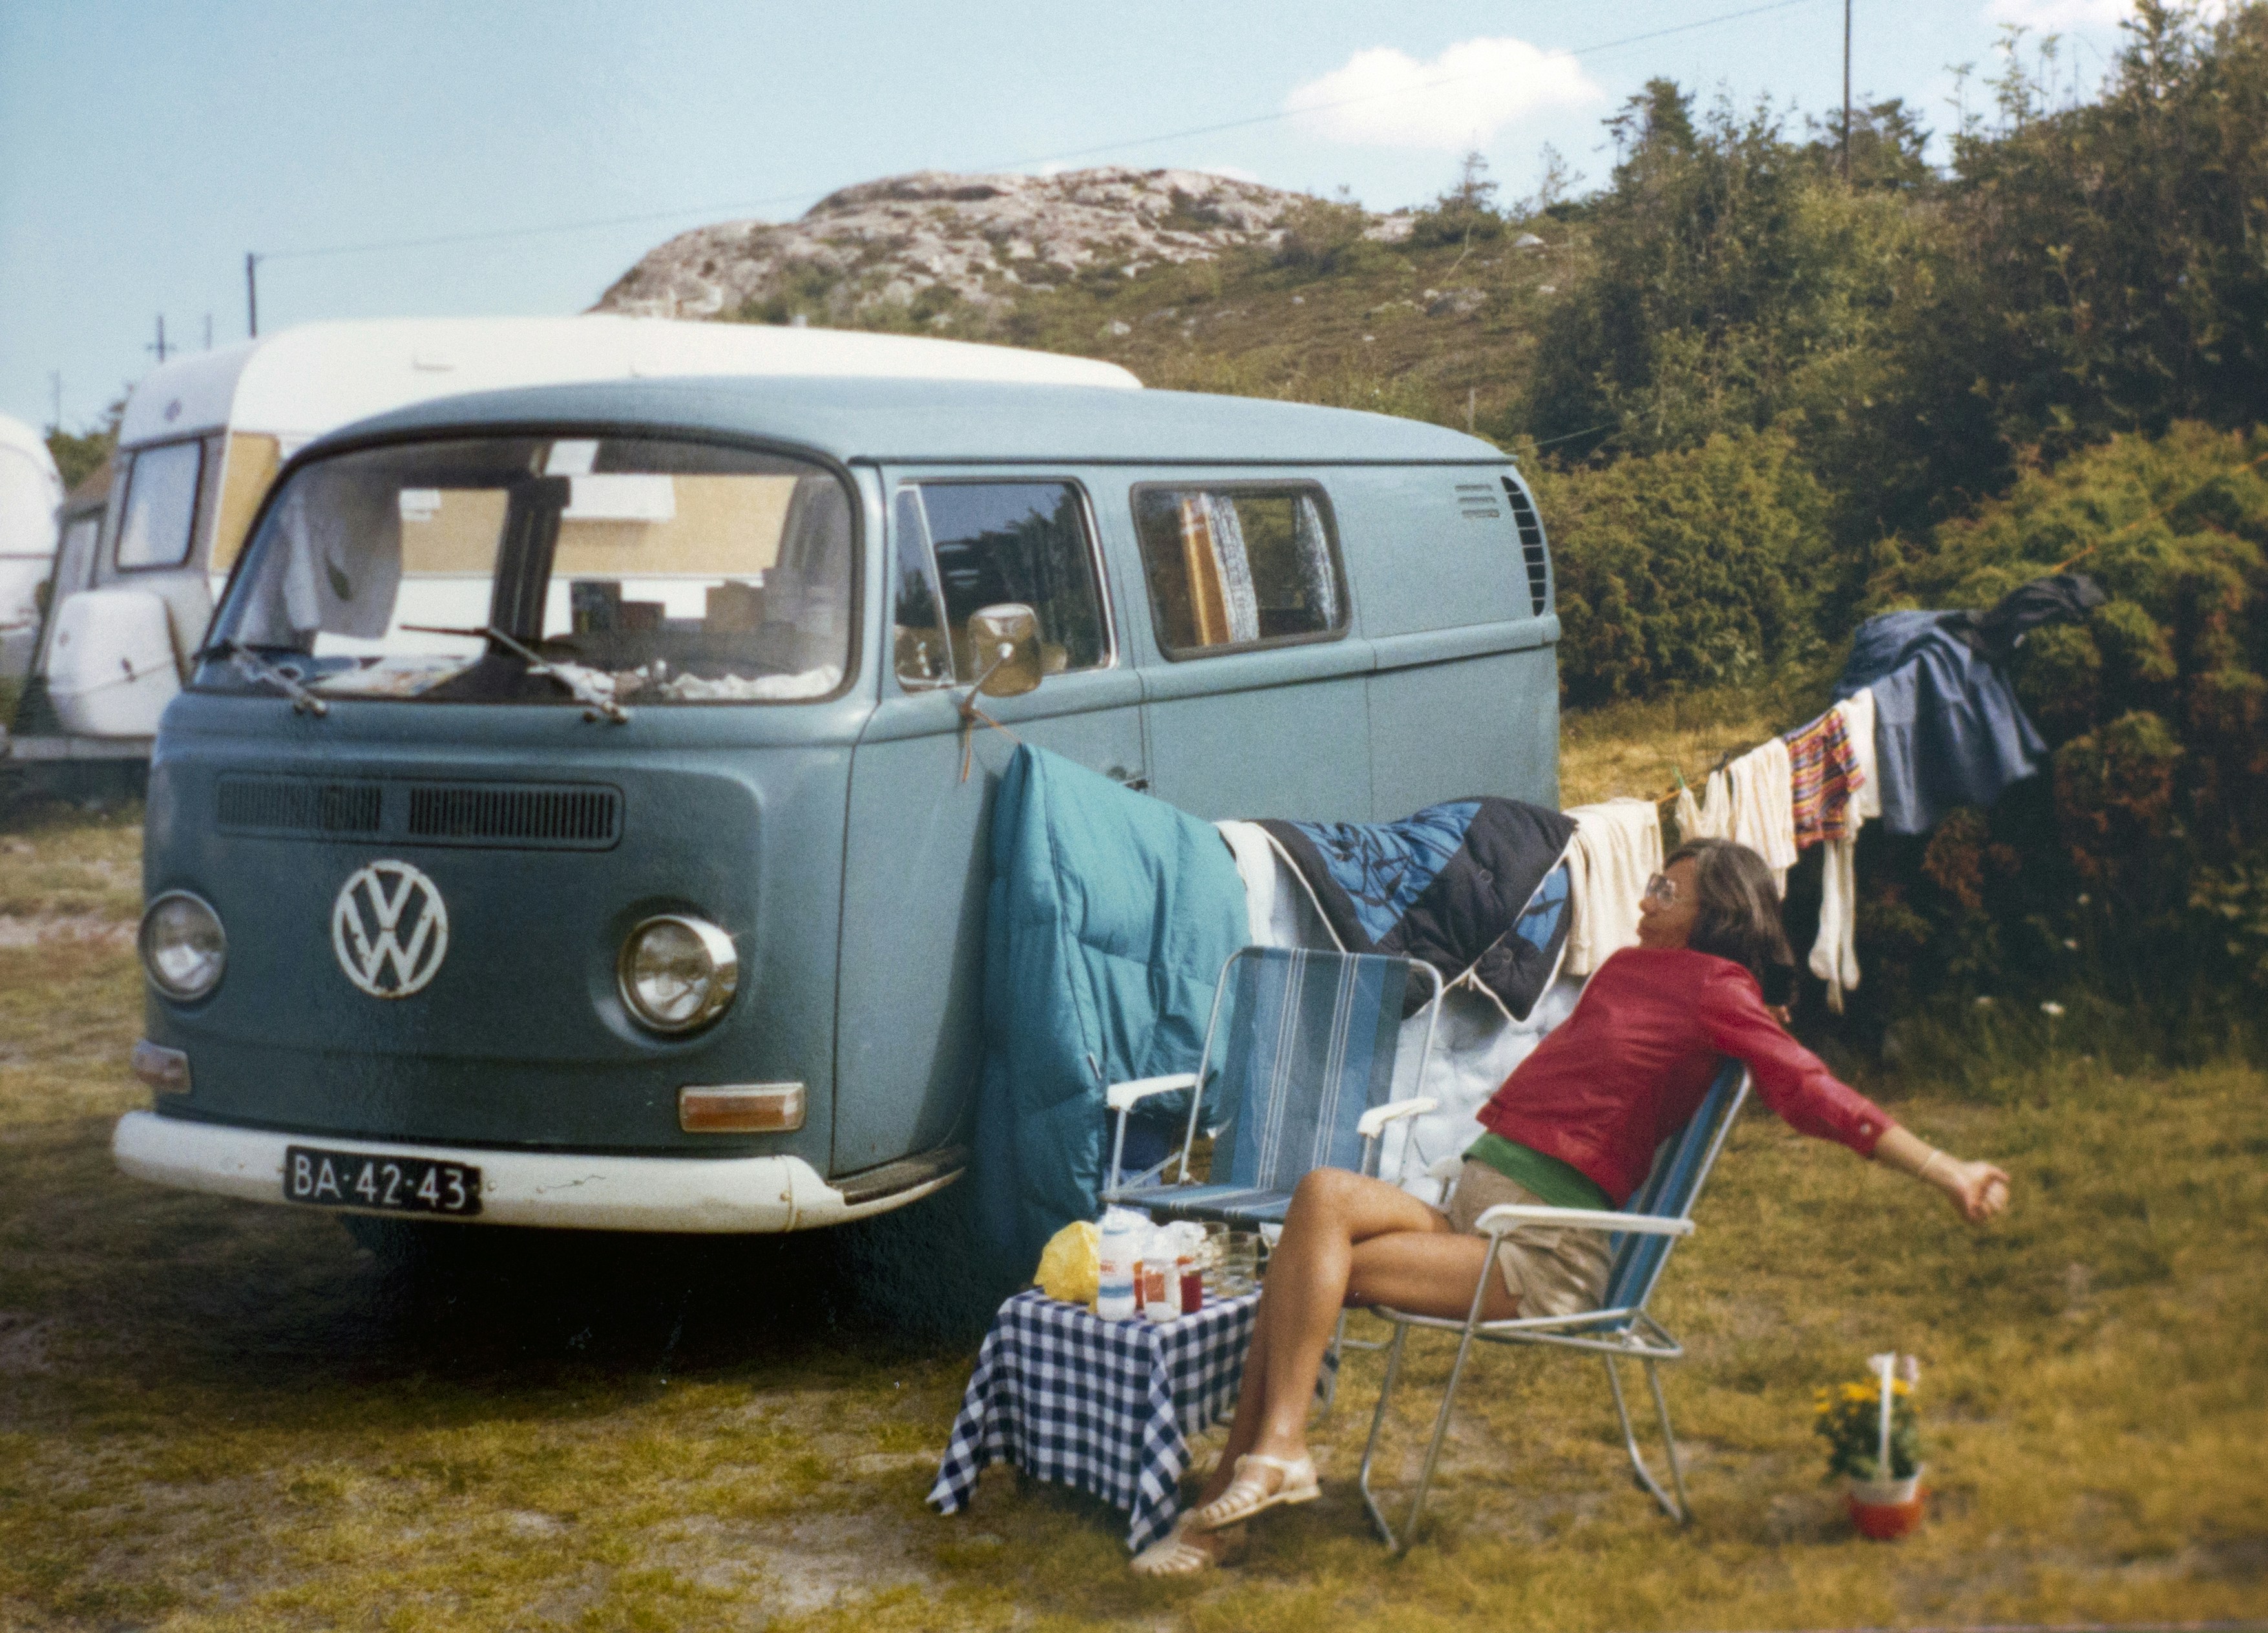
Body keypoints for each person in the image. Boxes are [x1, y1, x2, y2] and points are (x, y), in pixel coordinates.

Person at [1131, 837, 2011, 1576]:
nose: (1643, 899)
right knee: (1321, 1195)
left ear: (1714, 911)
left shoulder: (1718, 990)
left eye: (1664, 888)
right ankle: (1269, 1462)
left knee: (1312, 1274)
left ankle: (1229, 1502)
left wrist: (1946, 1168)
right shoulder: (1632, 969)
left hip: (1540, 1251)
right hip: (1475, 1211)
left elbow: (1812, 1091)